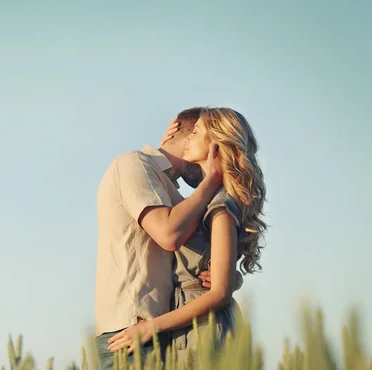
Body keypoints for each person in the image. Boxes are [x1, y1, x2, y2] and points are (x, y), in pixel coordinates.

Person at [106, 107, 267, 363]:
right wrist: (164, 156)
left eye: (195, 132)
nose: (187, 139)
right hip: (187, 325)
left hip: (205, 329)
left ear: (215, 143)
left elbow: (219, 293)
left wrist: (151, 326)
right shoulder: (201, 201)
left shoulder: (221, 205)